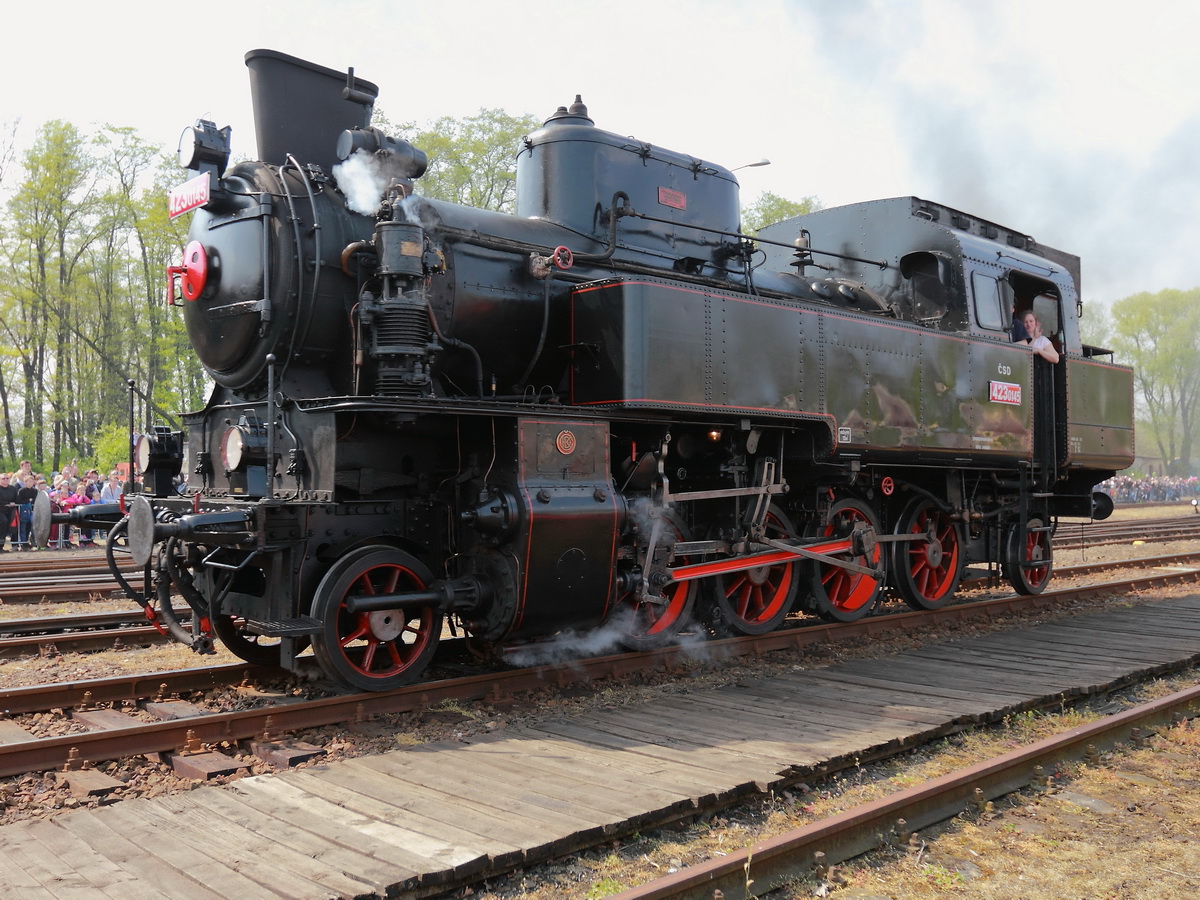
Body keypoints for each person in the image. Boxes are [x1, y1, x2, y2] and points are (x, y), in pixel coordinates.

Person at [14, 474, 39, 549]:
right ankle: (23, 542)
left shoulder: (35, 491)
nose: (31, 483)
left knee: (31, 524)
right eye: (29, 481)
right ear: (25, 482)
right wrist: (28, 500)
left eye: (32, 481)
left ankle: (31, 540)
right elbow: (18, 500)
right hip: (23, 511)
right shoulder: (21, 491)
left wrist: (30, 501)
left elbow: (35, 500)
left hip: (31, 510)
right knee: (23, 527)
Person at [0, 473, 18, 551]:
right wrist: (7, 503)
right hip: (1, 510)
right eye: (3, 478)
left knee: (11, 526)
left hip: (10, 511)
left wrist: (13, 503)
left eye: (7, 478)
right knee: (4, 522)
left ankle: (7, 545)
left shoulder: (12, 489)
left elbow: (16, 498)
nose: (5, 480)